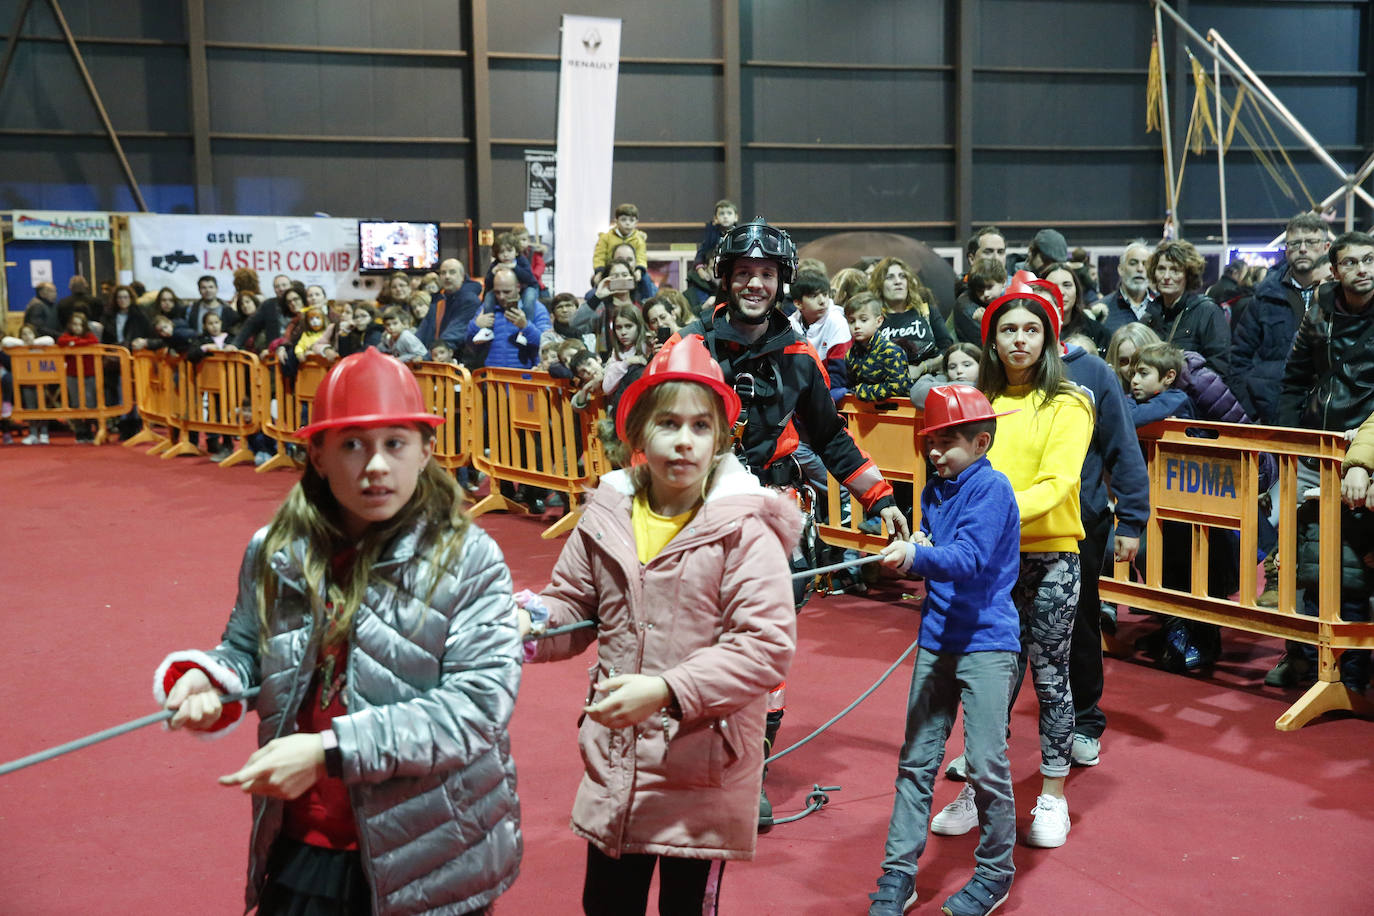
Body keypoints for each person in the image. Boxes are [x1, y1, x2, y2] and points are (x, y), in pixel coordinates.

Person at [156, 349, 521, 915]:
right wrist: (212, 681)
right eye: (352, 444)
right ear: (318, 455)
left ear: (426, 450)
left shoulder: (469, 558)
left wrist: (329, 751)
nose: (375, 466)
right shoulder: (275, 550)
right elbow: (249, 650)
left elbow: (475, 710)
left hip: (430, 848)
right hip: (308, 839)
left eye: (394, 444)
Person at [522, 336, 797, 916]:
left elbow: (764, 646)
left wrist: (669, 689)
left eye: (701, 426)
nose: (683, 440)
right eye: (668, 423)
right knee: (606, 903)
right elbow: (574, 605)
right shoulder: (608, 514)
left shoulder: (746, 529)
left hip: (701, 763)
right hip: (618, 759)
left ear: (721, 438)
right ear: (638, 432)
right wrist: (529, 623)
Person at [935, 279, 1093, 849]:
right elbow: (954, 472)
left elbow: (1057, 484)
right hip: (989, 565)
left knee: (1050, 681)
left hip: (1051, 559)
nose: (1020, 340)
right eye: (1008, 330)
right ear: (992, 340)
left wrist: (986, 520)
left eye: (1031, 330)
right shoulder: (977, 405)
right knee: (987, 685)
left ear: (1049, 337)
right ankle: (982, 790)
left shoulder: (1070, 402)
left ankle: (1053, 794)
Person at [866, 385, 1021, 916]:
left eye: (948, 440)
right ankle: (899, 872)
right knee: (915, 762)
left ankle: (996, 871)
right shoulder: (936, 490)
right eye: (931, 440)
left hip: (987, 642)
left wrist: (916, 556)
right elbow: (943, 550)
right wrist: (922, 546)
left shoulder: (993, 489)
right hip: (937, 638)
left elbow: (972, 558)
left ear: (981, 442)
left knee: (984, 763)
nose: (934, 451)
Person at [1269, 229, 1374, 690]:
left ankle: (1352, 671)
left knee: (1353, 563)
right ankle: (1302, 661)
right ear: (1335, 270)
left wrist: (1363, 459)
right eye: (1351, 262)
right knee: (1302, 560)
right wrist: (1292, 443)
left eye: (1370, 260)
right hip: (1316, 450)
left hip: (1367, 454)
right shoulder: (1319, 313)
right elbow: (1294, 379)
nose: (1363, 270)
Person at [1231, 214, 1330, 425]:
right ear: (1286, 249)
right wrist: (1250, 410)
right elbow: (1239, 357)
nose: (1302, 249)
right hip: (1270, 412)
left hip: (1327, 411)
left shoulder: (1340, 294)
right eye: (1295, 243)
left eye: (1311, 242)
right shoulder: (1264, 295)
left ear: (1326, 246)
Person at [1142, 240, 1237, 396]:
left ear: (1188, 275)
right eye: (1161, 269)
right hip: (1154, 404)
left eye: (1175, 270)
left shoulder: (1207, 311)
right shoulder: (1149, 317)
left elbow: (1219, 369)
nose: (1166, 276)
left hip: (1194, 404)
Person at [870, 256, 952, 378]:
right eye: (890, 277)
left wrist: (922, 367)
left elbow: (947, 349)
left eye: (902, 276)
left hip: (927, 381)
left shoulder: (926, 311)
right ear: (879, 285)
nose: (898, 281)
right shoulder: (872, 317)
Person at [469, 266, 551, 370]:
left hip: (524, 378)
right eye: (497, 292)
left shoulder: (536, 309)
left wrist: (526, 327)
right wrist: (475, 326)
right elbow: (469, 344)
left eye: (507, 292)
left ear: (518, 287)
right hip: (491, 378)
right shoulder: (486, 308)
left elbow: (547, 344)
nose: (501, 296)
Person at [844, 292, 910, 402]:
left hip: (897, 412)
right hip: (864, 412)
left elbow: (898, 387)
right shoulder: (850, 355)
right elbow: (851, 387)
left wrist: (862, 391)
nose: (857, 326)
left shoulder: (891, 351)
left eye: (863, 320)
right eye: (851, 321)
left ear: (879, 321)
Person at [416, 258, 484, 352]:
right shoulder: (438, 298)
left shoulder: (469, 300)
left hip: (455, 359)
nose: (447, 276)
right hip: (434, 356)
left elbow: (453, 336)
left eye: (452, 272)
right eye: (443, 273)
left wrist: (426, 358)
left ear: (462, 277)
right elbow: (422, 332)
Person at [1040, 262, 1107, 355]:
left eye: (1067, 285)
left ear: (1077, 291)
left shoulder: (1097, 332)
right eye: (1052, 287)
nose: (1061, 292)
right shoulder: (1032, 330)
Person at [1099, 241, 1154, 334]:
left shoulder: (1162, 306)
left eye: (1145, 264)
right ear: (1121, 269)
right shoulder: (1102, 310)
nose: (1140, 269)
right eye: (1133, 263)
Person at [602, 303, 650, 396]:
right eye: (619, 327)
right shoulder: (617, 352)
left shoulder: (649, 346)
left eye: (628, 326)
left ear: (639, 326)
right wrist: (626, 363)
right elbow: (607, 388)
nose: (623, 332)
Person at [592, 202, 647, 282]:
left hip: (631, 272)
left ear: (636, 223)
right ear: (616, 221)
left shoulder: (639, 239)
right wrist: (599, 271)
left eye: (631, 220)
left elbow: (641, 257)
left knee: (646, 281)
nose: (627, 223)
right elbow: (599, 256)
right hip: (610, 272)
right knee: (595, 287)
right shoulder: (606, 238)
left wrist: (639, 270)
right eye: (623, 219)